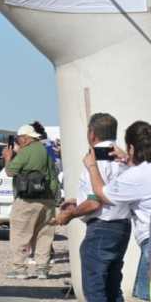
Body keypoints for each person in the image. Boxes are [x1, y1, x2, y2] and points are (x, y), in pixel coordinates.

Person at [52, 113, 130, 302]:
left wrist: (70, 214)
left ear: (92, 133)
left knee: (95, 290)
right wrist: (78, 201)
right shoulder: (123, 159)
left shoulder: (95, 160)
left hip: (102, 226)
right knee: (113, 290)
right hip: (122, 225)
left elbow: (95, 202)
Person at [84, 120, 151, 301]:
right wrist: (129, 160)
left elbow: (102, 194)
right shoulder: (141, 172)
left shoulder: (136, 175)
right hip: (125, 229)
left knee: (96, 285)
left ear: (131, 147)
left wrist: (92, 166)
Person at [2, 124, 58, 279]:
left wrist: (8, 157)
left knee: (20, 233)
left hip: (28, 199)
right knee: (44, 234)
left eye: (19, 138)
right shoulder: (44, 150)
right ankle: (42, 268)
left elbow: (10, 171)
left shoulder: (26, 151)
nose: (18, 141)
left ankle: (20, 268)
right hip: (47, 198)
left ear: (26, 138)